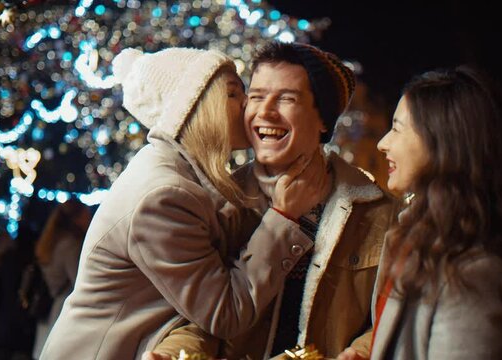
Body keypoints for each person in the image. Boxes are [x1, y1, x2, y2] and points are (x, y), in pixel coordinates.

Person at [40, 47, 327, 359]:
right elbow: (226, 313)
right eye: (232, 94)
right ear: (191, 108)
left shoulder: (184, 176)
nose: (248, 105)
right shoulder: (164, 195)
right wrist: (283, 217)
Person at [151, 42, 398, 359]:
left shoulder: (377, 212)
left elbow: (390, 315)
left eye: (286, 99)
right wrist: (173, 354)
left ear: (323, 119)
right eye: (255, 96)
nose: (264, 111)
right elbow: (199, 319)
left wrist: (360, 352)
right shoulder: (220, 201)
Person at [361, 66, 502, 360]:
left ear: (442, 143)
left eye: (396, 128)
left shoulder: (473, 271)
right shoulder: (421, 241)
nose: (383, 143)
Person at [32, 199, 92, 359]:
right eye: (87, 214)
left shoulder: (52, 242)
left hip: (52, 303)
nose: (91, 218)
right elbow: (78, 281)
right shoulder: (70, 245)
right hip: (63, 306)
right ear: (76, 218)